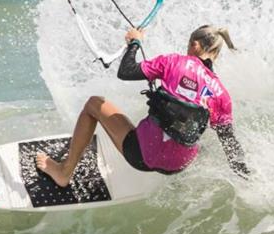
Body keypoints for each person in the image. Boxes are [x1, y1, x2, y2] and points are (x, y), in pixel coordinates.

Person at [35, 24, 249, 186]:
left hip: (141, 156)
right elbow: (230, 144)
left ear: (195, 45)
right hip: (178, 166)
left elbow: (125, 72)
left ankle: (63, 173)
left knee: (94, 103)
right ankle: (177, 181)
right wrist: (245, 178)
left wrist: (134, 43)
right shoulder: (221, 94)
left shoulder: (175, 62)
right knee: (204, 138)